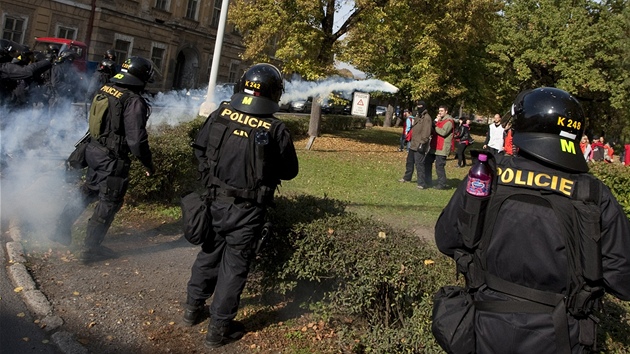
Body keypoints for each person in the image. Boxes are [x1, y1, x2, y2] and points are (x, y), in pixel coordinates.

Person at [434, 87, 630, 354]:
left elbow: (446, 239)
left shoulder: (488, 177)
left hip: (484, 329)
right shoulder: (592, 194)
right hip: (561, 336)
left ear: (521, 129)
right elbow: (622, 279)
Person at [183, 63, 299, 349]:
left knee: (208, 254)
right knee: (233, 268)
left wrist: (212, 180)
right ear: (273, 93)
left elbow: (199, 149)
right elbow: (289, 171)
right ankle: (218, 330)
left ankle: (191, 310)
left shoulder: (221, 114)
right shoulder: (275, 128)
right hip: (248, 210)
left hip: (214, 201)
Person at [52, 56, 156, 263]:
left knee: (88, 190)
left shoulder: (107, 89)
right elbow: (136, 140)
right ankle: (91, 249)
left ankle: (60, 228)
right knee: (109, 201)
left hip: (94, 151)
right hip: (112, 158)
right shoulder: (133, 100)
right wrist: (147, 163)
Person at [399, 100, 432, 188]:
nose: (419, 107)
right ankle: (407, 177)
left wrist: (422, 143)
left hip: (420, 144)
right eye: (418, 106)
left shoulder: (427, 118)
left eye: (421, 106)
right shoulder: (418, 116)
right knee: (409, 162)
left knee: (419, 164)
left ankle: (421, 183)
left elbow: (426, 132)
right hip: (413, 143)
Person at [425, 105, 454, 189]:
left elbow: (443, 132)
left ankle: (442, 184)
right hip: (434, 146)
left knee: (439, 166)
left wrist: (435, 126)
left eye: (441, 111)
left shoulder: (449, 121)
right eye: (439, 111)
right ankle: (427, 180)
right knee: (427, 162)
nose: (440, 112)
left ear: (446, 111)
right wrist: (435, 122)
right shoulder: (440, 120)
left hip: (442, 148)